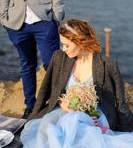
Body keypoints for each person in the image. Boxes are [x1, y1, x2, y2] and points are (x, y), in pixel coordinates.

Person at [20, 19, 133, 148]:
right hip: (62, 110)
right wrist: (34, 116)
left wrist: (127, 130)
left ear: (80, 42)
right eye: (62, 44)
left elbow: (120, 102)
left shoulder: (108, 65)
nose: (63, 49)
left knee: (77, 130)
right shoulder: (59, 57)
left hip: (95, 115)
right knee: (48, 129)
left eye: (67, 45)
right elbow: (44, 91)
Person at [0, 0, 65, 118]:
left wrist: (56, 16)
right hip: (17, 23)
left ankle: (55, 104)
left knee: (52, 65)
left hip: (44, 20)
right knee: (26, 64)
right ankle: (30, 106)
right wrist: (3, 17)